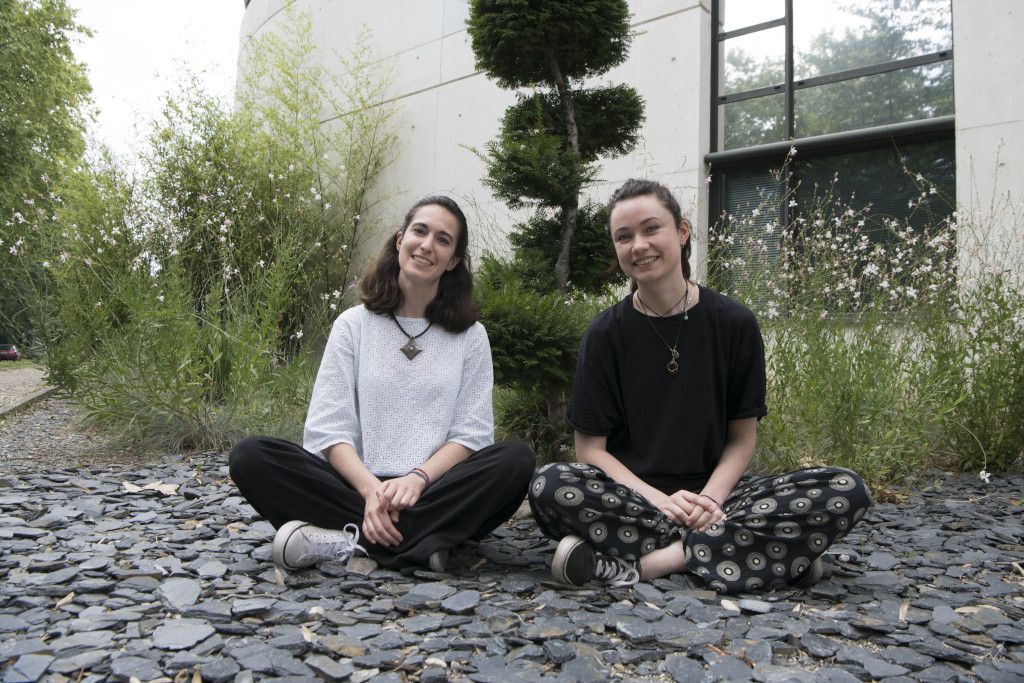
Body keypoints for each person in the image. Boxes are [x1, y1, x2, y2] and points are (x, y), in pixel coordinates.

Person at [528, 179, 872, 594]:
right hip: (631, 496)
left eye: (651, 229)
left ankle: (648, 564)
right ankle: (769, 554)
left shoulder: (734, 324)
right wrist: (660, 501)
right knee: (550, 485)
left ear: (682, 232)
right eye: (624, 237)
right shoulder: (604, 334)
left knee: (845, 490)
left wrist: (709, 500)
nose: (639, 245)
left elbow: (742, 438)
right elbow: (591, 451)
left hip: (721, 495)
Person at [230, 195, 535, 573]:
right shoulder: (353, 325)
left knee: (515, 460)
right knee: (251, 456)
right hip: (355, 486)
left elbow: (471, 433)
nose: (427, 245)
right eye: (420, 231)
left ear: (453, 260)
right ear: (400, 239)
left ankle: (349, 540)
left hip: (433, 487)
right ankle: (424, 541)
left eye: (443, 240)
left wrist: (417, 479)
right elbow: (328, 428)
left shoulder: (471, 336)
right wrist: (372, 490)